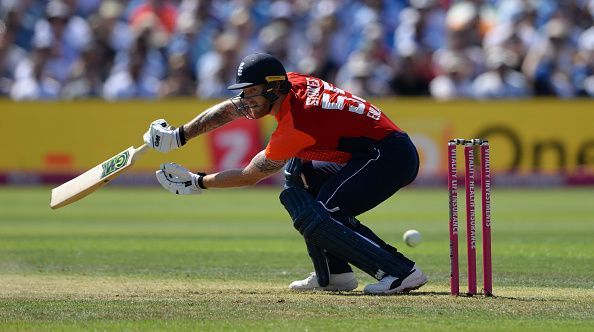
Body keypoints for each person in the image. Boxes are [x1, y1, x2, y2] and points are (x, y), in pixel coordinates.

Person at [142, 53, 427, 295]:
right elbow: (231, 109)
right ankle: (335, 274)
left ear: (273, 88)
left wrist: (198, 182)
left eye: (251, 91)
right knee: (298, 175)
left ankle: (401, 272)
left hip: (388, 156)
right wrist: (179, 135)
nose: (245, 99)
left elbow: (249, 175)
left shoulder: (296, 125)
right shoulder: (290, 83)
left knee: (323, 213)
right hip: (368, 151)